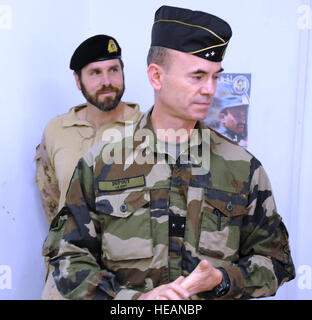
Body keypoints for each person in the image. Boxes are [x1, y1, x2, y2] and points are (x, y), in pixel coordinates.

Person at [43, 6, 295, 300]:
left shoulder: (242, 168)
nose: (209, 89)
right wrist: (133, 301)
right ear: (156, 77)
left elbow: (276, 261)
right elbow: (67, 256)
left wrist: (222, 280)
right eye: (197, 76)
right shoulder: (101, 164)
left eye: (215, 77)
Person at [35, 34, 142, 299]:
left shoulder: (147, 129)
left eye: (113, 70)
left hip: (126, 283)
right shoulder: (56, 129)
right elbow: (51, 196)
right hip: (66, 275)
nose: (107, 81)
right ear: (78, 80)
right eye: (95, 72)